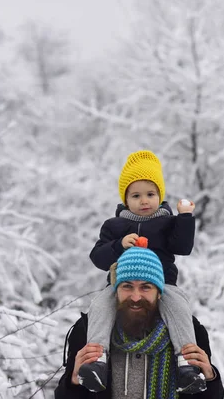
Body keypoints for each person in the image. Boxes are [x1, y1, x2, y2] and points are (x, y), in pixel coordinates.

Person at [80, 150, 202, 393]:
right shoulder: (114, 226)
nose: (144, 201)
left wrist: (185, 218)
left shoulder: (168, 223)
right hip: (120, 285)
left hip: (163, 284)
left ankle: (186, 361)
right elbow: (98, 257)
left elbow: (182, 247)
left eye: (150, 194)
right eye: (136, 195)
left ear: (160, 195)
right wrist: (118, 245)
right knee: (101, 305)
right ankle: (97, 358)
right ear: (125, 199)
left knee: (178, 306)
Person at [54, 247, 224, 399]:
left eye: (146, 287)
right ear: (116, 291)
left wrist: (210, 378)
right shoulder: (86, 330)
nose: (136, 297)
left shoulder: (190, 330)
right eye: (127, 286)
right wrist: (74, 381)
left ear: (159, 292)